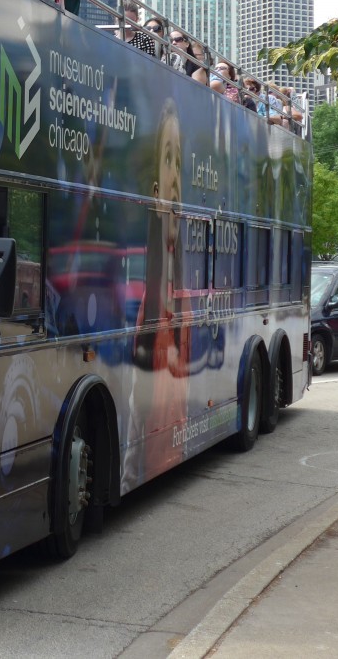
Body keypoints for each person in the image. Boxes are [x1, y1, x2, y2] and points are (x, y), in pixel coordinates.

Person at [128, 97, 190, 481]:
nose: (176, 178)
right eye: (168, 160)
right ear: (155, 192)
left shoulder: (186, 306)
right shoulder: (143, 313)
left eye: (180, 163)